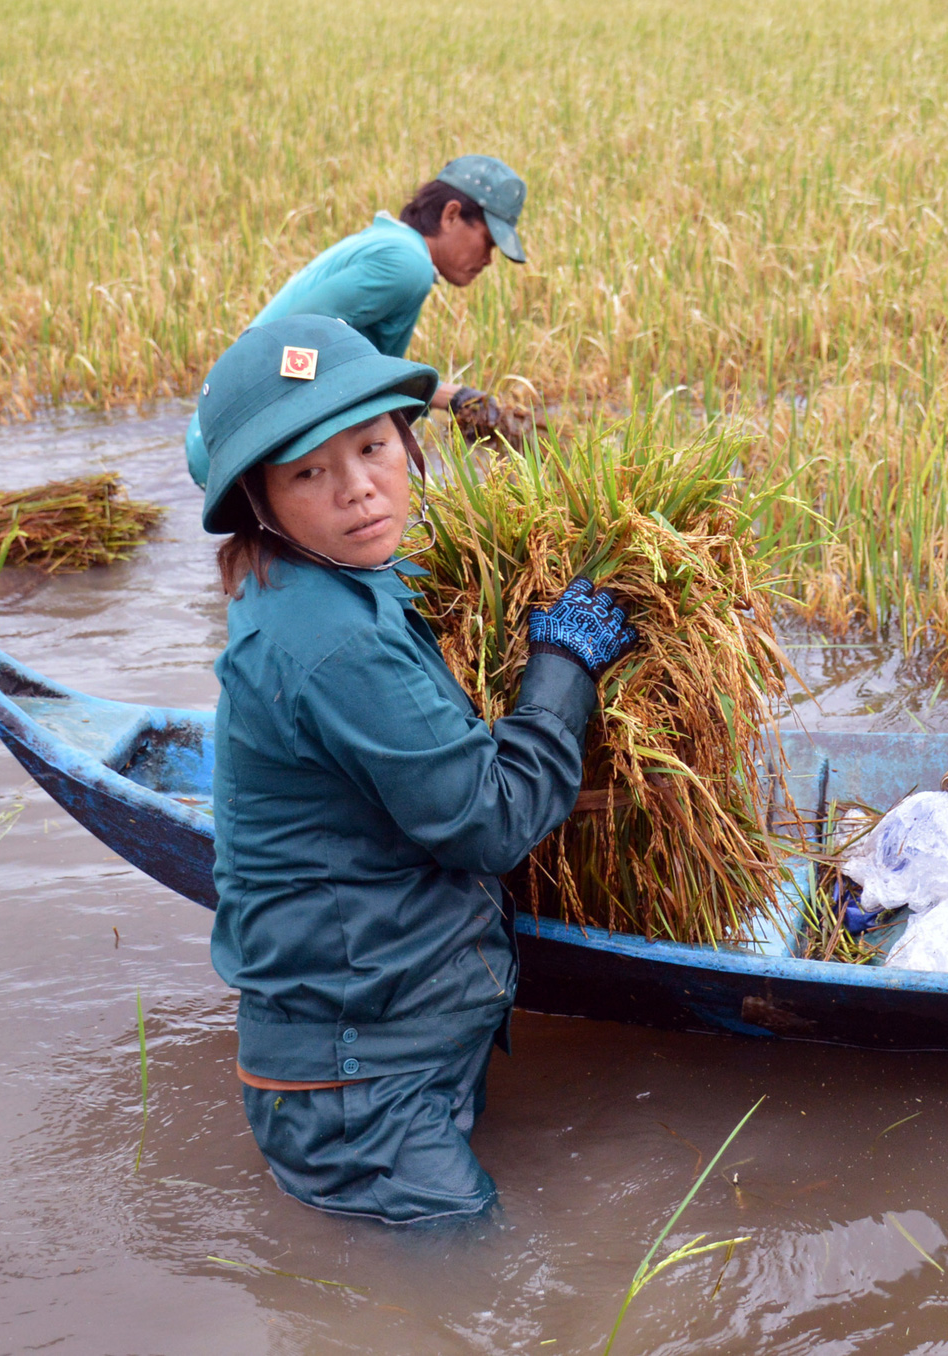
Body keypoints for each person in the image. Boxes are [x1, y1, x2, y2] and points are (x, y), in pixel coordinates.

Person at [197, 313, 636, 1223]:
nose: (359, 490)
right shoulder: (329, 644)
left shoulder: (327, 582)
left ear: (408, 441)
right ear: (261, 500)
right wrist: (561, 672)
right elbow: (493, 819)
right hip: (355, 1089)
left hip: (385, 1051)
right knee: (461, 1279)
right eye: (311, 473)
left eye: (373, 447)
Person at [184, 155, 530, 488]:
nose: (487, 259)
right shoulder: (408, 266)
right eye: (488, 241)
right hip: (244, 449)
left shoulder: (389, 245)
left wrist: (453, 398)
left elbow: (341, 363)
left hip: (223, 438)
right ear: (451, 215)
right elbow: (291, 347)